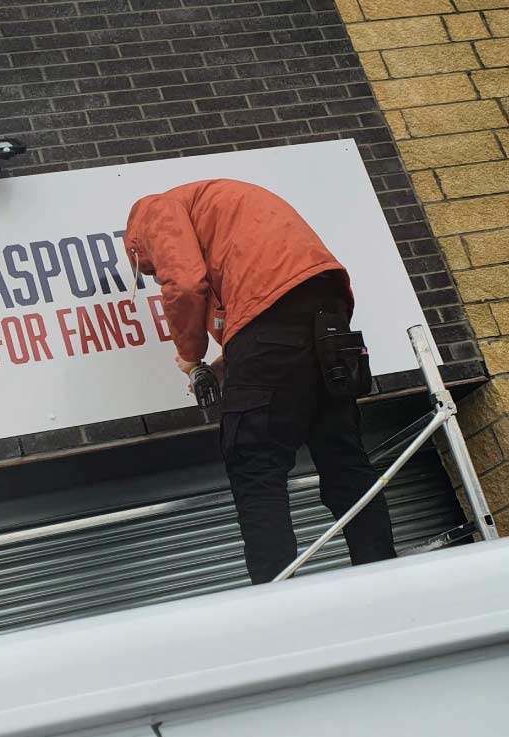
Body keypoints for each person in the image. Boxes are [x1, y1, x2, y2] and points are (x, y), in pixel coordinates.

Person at [124, 179, 396, 584]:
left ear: (135, 244)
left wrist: (191, 355)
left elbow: (184, 283)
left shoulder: (154, 210)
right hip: (327, 312)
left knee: (253, 459)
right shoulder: (226, 209)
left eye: (145, 264)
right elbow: (270, 318)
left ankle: (273, 598)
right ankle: (386, 576)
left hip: (275, 313)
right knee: (342, 456)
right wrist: (228, 362)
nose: (149, 267)